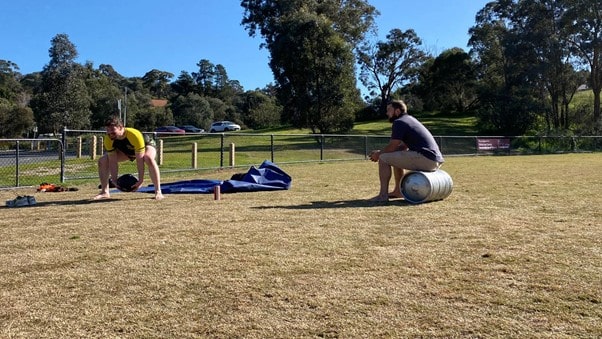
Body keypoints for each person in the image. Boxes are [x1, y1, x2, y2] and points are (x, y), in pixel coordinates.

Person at [368, 99, 444, 201]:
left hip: (426, 158)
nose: (387, 113)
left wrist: (378, 154)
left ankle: (383, 195)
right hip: (434, 160)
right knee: (393, 156)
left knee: (383, 158)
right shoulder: (409, 120)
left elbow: (393, 146)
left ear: (397, 111)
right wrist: (382, 152)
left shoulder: (399, 122)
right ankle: (398, 191)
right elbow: (403, 147)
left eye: (389, 110)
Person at [93, 116, 164, 200]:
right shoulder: (108, 139)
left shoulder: (134, 135)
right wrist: (114, 180)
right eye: (108, 132)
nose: (110, 134)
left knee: (148, 158)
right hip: (127, 151)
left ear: (120, 127)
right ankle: (105, 192)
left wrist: (140, 180)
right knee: (103, 160)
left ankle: (158, 191)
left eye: (113, 131)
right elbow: (113, 161)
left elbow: (139, 160)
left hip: (146, 146)